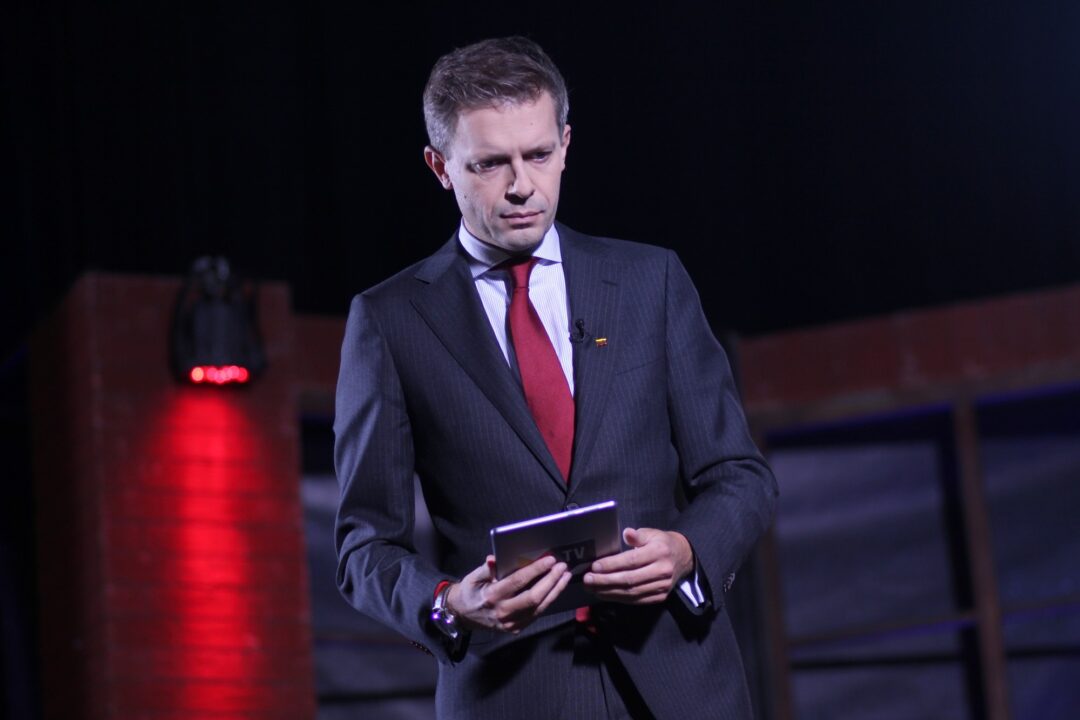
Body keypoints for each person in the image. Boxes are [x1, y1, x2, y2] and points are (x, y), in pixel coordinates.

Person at [334, 36, 778, 720]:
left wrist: (688, 550)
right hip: (510, 691)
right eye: (490, 163)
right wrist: (449, 603)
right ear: (440, 167)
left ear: (566, 145)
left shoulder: (650, 282)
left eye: (538, 155)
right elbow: (364, 545)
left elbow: (739, 476)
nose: (521, 185)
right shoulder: (390, 321)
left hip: (683, 685)